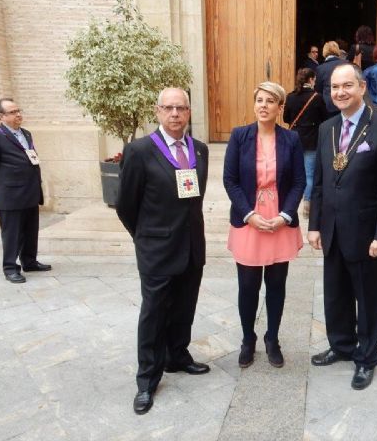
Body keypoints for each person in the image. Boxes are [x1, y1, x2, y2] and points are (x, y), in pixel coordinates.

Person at [308, 63, 377, 390]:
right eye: (335, 87)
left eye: (347, 85)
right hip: (332, 230)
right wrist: (315, 225)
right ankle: (342, 345)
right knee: (335, 294)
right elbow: (320, 182)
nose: (340, 92)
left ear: (362, 87)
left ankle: (366, 357)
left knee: (368, 298)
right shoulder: (327, 129)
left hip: (367, 236)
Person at [116, 88, 210, 415]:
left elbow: (194, 199)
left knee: (185, 307)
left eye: (180, 108)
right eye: (168, 108)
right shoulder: (139, 151)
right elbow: (126, 204)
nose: (174, 114)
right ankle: (146, 380)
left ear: (188, 112)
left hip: (191, 246)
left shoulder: (199, 149)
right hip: (156, 248)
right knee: (154, 313)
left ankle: (177, 357)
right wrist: (144, 238)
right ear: (157, 111)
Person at [224, 81, 305, 369]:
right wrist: (248, 214)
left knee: (276, 285)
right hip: (249, 219)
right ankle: (248, 339)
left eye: (270, 101)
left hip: (279, 219)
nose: (263, 105)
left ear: (280, 107)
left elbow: (299, 182)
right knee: (247, 286)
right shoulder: (239, 136)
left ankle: (273, 338)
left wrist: (285, 215)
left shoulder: (291, 139)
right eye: (259, 99)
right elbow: (230, 180)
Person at [0, 98, 51, 284]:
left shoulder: (26, 133)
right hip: (10, 195)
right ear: (1, 116)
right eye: (12, 112)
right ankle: (10, 268)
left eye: (18, 110)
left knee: (30, 230)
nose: (18, 114)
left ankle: (29, 261)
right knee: (11, 234)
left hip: (30, 191)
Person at [284, 68, 328, 217]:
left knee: (293, 173)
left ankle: (290, 204)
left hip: (293, 139)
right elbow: (325, 118)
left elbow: (285, 119)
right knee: (309, 174)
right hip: (312, 139)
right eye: (314, 79)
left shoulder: (290, 97)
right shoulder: (317, 97)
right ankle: (307, 205)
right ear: (310, 80)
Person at [314, 41, 348, 117]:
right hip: (346, 103)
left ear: (324, 52)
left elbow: (318, 90)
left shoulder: (320, 68)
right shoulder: (347, 64)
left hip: (328, 107)